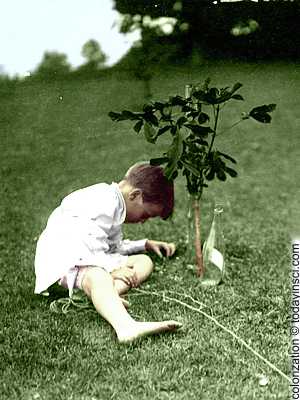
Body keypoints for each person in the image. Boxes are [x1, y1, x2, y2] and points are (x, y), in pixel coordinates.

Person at [34, 162, 182, 343]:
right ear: (135, 195)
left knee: (144, 261)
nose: (143, 221)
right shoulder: (104, 201)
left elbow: (112, 246)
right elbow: (86, 242)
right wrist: (112, 269)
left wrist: (145, 244)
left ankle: (110, 296)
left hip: (88, 255)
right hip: (66, 261)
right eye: (145, 215)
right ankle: (126, 327)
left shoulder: (115, 203)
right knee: (98, 276)